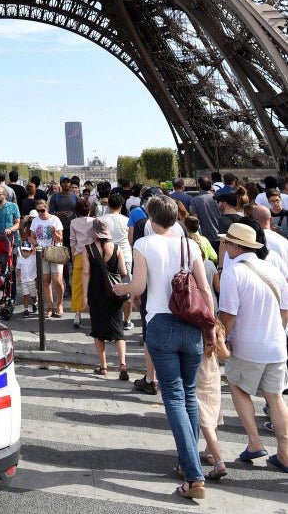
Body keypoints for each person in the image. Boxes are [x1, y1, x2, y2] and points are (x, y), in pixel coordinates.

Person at [113, 195, 214, 500]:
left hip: (162, 324)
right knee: (190, 395)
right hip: (192, 324)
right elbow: (205, 289)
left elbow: (140, 287)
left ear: (151, 217)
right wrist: (211, 329)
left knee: (173, 396)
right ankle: (188, 465)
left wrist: (122, 288)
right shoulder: (190, 245)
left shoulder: (144, 245)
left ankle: (194, 476)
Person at [217, 222, 288, 474]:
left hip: (247, 344)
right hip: (276, 345)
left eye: (226, 242)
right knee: (276, 397)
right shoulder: (273, 270)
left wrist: (222, 339)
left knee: (236, 385)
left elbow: (228, 314)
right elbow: (284, 312)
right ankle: (285, 454)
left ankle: (254, 441)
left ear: (235, 246)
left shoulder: (233, 272)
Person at [82, 218, 128, 378]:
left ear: (94, 233)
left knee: (98, 331)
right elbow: (123, 272)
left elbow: (86, 273)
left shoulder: (87, 249)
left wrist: (84, 296)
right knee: (118, 331)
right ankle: (122, 364)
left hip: (96, 293)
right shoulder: (117, 248)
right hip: (115, 292)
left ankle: (103, 367)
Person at [196, 320, 231, 481]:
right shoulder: (216, 325)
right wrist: (223, 342)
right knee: (213, 414)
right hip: (213, 375)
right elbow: (224, 355)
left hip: (197, 373)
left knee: (204, 419)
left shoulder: (192, 322)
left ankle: (218, 460)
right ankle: (210, 452)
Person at [100, 193, 135, 330]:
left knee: (106, 288)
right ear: (121, 206)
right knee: (126, 288)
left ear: (108, 205)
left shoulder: (101, 220)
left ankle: (109, 318)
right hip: (125, 255)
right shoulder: (126, 220)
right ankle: (127, 320)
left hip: (107, 255)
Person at [32, 199, 65, 317]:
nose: (40, 212)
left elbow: (60, 239)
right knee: (46, 281)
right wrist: (36, 245)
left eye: (42, 210)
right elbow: (32, 237)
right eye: (38, 210)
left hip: (55, 252)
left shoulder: (55, 220)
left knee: (57, 280)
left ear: (47, 208)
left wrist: (54, 233)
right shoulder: (35, 221)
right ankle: (50, 307)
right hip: (42, 253)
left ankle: (59, 304)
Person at [69, 198, 95, 329]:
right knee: (94, 285)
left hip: (79, 254)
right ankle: (94, 314)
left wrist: (73, 256)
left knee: (77, 285)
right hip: (93, 255)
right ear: (89, 210)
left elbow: (72, 242)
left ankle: (77, 314)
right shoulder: (95, 221)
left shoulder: (73, 222)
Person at [190, 176, 221, 251]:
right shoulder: (219, 198)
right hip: (221, 235)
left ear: (199, 186)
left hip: (206, 237)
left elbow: (195, 220)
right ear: (210, 185)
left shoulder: (195, 200)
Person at [17, 220, 38, 317]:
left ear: (30, 251)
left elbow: (35, 252)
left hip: (32, 280)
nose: (25, 252)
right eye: (23, 250)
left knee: (33, 296)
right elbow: (18, 269)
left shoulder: (33, 258)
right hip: (24, 281)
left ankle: (35, 303)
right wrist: (18, 278)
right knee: (25, 295)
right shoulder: (20, 259)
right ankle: (26, 309)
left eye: (27, 251)